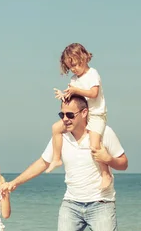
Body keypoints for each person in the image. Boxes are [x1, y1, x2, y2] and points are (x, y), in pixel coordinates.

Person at [1, 95, 127, 231]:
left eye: (70, 114)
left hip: (101, 202)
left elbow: (123, 163)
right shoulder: (60, 137)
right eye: (62, 115)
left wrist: (109, 160)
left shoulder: (103, 133)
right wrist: (15, 183)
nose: (65, 119)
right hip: (71, 204)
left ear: (85, 113)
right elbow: (43, 162)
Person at [47, 43, 112, 191]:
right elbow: (73, 99)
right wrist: (64, 96)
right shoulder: (74, 79)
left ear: (84, 58)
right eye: (70, 67)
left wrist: (76, 90)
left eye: (75, 65)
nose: (74, 69)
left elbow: (93, 94)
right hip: (81, 116)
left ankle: (105, 173)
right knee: (56, 128)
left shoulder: (92, 74)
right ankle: (57, 159)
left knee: (94, 145)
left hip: (96, 115)